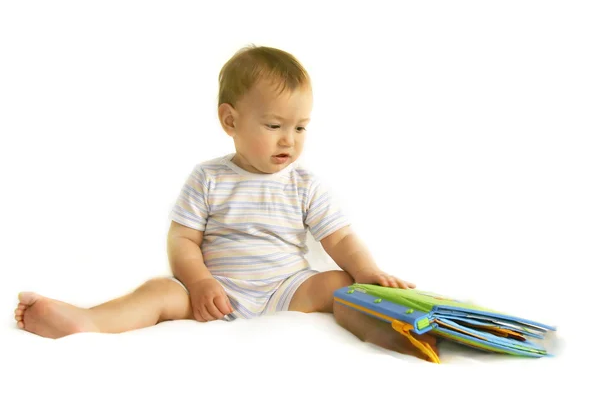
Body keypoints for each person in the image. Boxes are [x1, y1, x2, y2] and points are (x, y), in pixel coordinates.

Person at [14, 45, 437, 361]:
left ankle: (396, 334)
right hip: (215, 293)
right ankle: (88, 322)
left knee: (339, 284)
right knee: (158, 290)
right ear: (230, 120)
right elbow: (182, 239)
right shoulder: (209, 178)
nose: (289, 139)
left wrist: (368, 271)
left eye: (301, 127)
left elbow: (339, 236)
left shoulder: (305, 184)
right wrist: (198, 283)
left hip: (287, 289)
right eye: (274, 125)